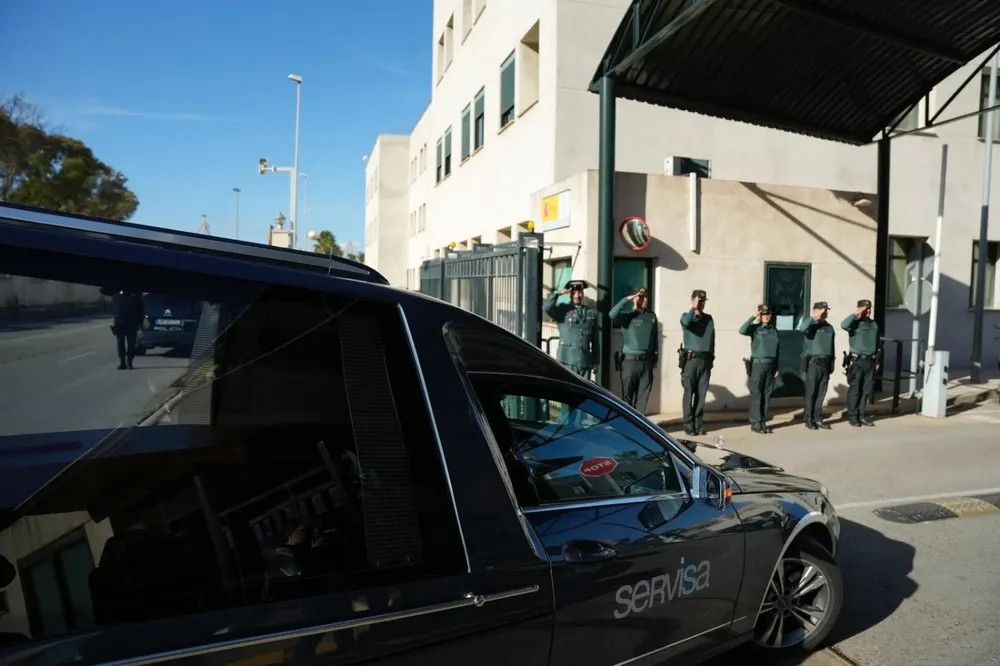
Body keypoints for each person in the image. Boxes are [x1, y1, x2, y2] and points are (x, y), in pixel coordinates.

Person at [610, 286, 659, 414]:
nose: (643, 299)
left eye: (645, 297)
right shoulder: (627, 316)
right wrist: (627, 299)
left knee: (642, 399)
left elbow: (654, 338)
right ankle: (628, 428)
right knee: (627, 399)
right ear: (634, 298)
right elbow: (612, 314)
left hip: (646, 362)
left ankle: (640, 429)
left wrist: (655, 356)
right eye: (640, 296)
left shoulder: (651, 316)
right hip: (630, 362)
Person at [543, 279, 599, 378]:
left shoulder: (591, 312)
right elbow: (546, 308)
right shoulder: (563, 309)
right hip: (567, 360)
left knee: (584, 392)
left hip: (584, 361)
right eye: (574, 292)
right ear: (570, 294)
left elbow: (595, 339)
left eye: (579, 292)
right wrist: (558, 293)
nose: (577, 295)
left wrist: (596, 361)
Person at [739, 304, 781, 434]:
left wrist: (777, 367)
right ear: (760, 315)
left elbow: (777, 350)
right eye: (763, 314)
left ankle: (763, 421)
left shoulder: (774, 330)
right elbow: (742, 330)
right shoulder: (755, 329)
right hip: (758, 364)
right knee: (757, 394)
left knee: (767, 394)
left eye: (768, 314)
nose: (766, 316)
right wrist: (753, 317)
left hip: (771, 365)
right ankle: (756, 423)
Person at [679, 290, 715, 436]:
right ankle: (688, 424)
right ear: (692, 301)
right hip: (691, 360)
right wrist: (694, 310)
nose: (701, 304)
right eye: (698, 301)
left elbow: (712, 339)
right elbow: (686, 323)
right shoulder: (686, 317)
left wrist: (711, 359)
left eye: (703, 301)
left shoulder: (709, 318)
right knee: (689, 393)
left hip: (705, 360)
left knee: (701, 394)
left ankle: (698, 423)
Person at [841, 298, 880, 427]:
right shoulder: (854, 323)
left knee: (866, 390)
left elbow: (878, 343)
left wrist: (878, 360)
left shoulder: (873, 324)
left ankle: (862, 415)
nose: (868, 311)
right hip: (857, 361)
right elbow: (844, 325)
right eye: (865, 308)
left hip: (870, 361)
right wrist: (857, 314)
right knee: (855, 389)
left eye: (869, 308)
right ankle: (853, 416)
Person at [799, 301, 836, 430]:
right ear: (815, 311)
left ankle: (818, 417)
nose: (824, 313)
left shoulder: (829, 327)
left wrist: (832, 363)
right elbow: (802, 328)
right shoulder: (810, 326)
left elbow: (832, 346)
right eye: (822, 310)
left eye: (826, 311)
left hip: (826, 363)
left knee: (821, 392)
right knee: (811, 392)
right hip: (814, 362)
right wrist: (814, 318)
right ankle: (808, 418)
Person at [109, 288, 145, 370]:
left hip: (132, 322)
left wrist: (140, 322)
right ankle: (122, 363)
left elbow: (141, 308)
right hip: (119, 321)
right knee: (120, 343)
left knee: (131, 344)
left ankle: (129, 363)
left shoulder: (136, 293)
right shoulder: (116, 292)